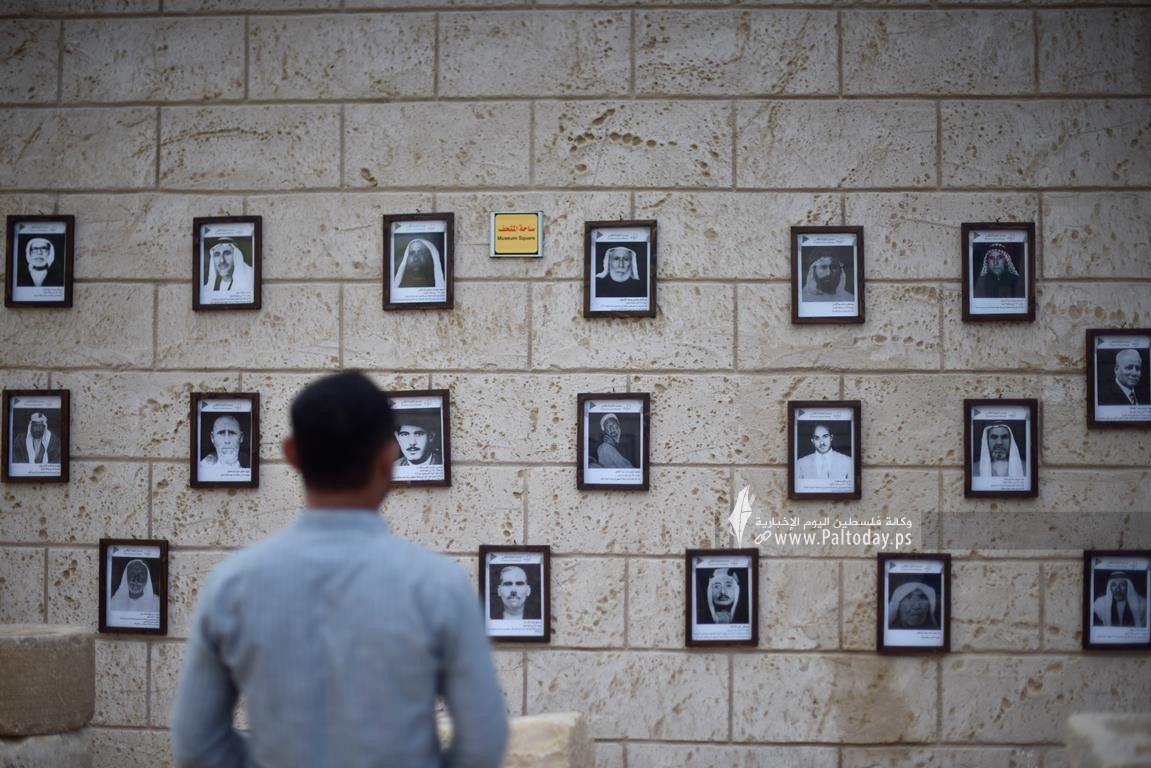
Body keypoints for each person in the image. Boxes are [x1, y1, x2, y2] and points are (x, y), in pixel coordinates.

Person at [171, 372, 507, 768]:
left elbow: (196, 746)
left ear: (291, 454)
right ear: (389, 459)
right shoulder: (440, 586)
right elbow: (483, 742)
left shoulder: (231, 586)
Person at [198, 414, 247, 480]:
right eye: (221, 433)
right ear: (212, 438)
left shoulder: (250, 465)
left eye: (232, 433)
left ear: (241, 437)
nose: (227, 441)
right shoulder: (202, 468)